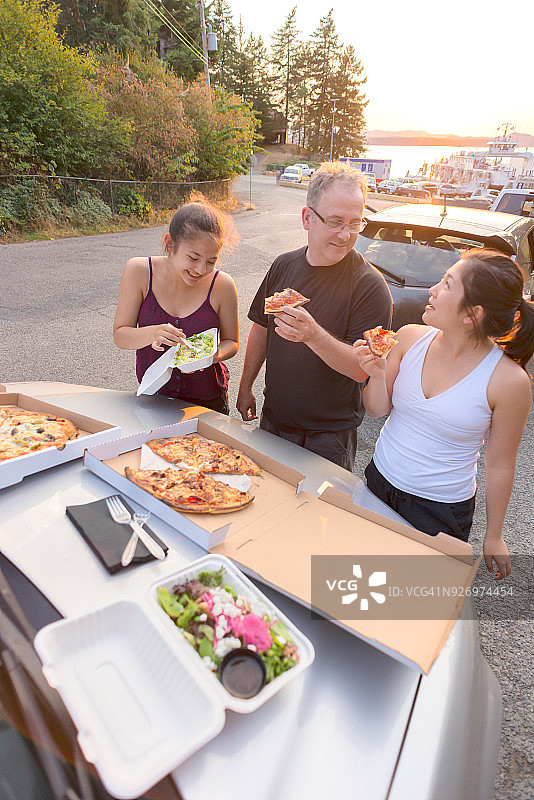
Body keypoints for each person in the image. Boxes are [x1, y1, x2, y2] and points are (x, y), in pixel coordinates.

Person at [353, 249, 534, 579]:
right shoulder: (408, 337)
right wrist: (376, 374)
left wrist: (494, 535)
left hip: (439, 511)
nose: (432, 291)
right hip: (378, 483)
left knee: (412, 603)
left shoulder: (509, 381)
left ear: (472, 314)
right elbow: (377, 409)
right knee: (362, 586)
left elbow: (501, 463)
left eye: (447, 284)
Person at [237, 160, 392, 470]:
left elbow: (362, 371)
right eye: (335, 221)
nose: (346, 234)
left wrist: (313, 335)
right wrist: (244, 387)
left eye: (355, 223)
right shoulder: (283, 266)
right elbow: (261, 329)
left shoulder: (373, 287)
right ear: (307, 218)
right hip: (273, 422)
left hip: (328, 440)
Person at [113, 194, 239, 413]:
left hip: (208, 403)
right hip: (154, 399)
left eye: (211, 261)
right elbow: (120, 335)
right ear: (170, 244)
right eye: (193, 258)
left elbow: (232, 342)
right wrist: (152, 333)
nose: (201, 270)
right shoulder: (139, 271)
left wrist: (208, 357)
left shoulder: (223, 285)